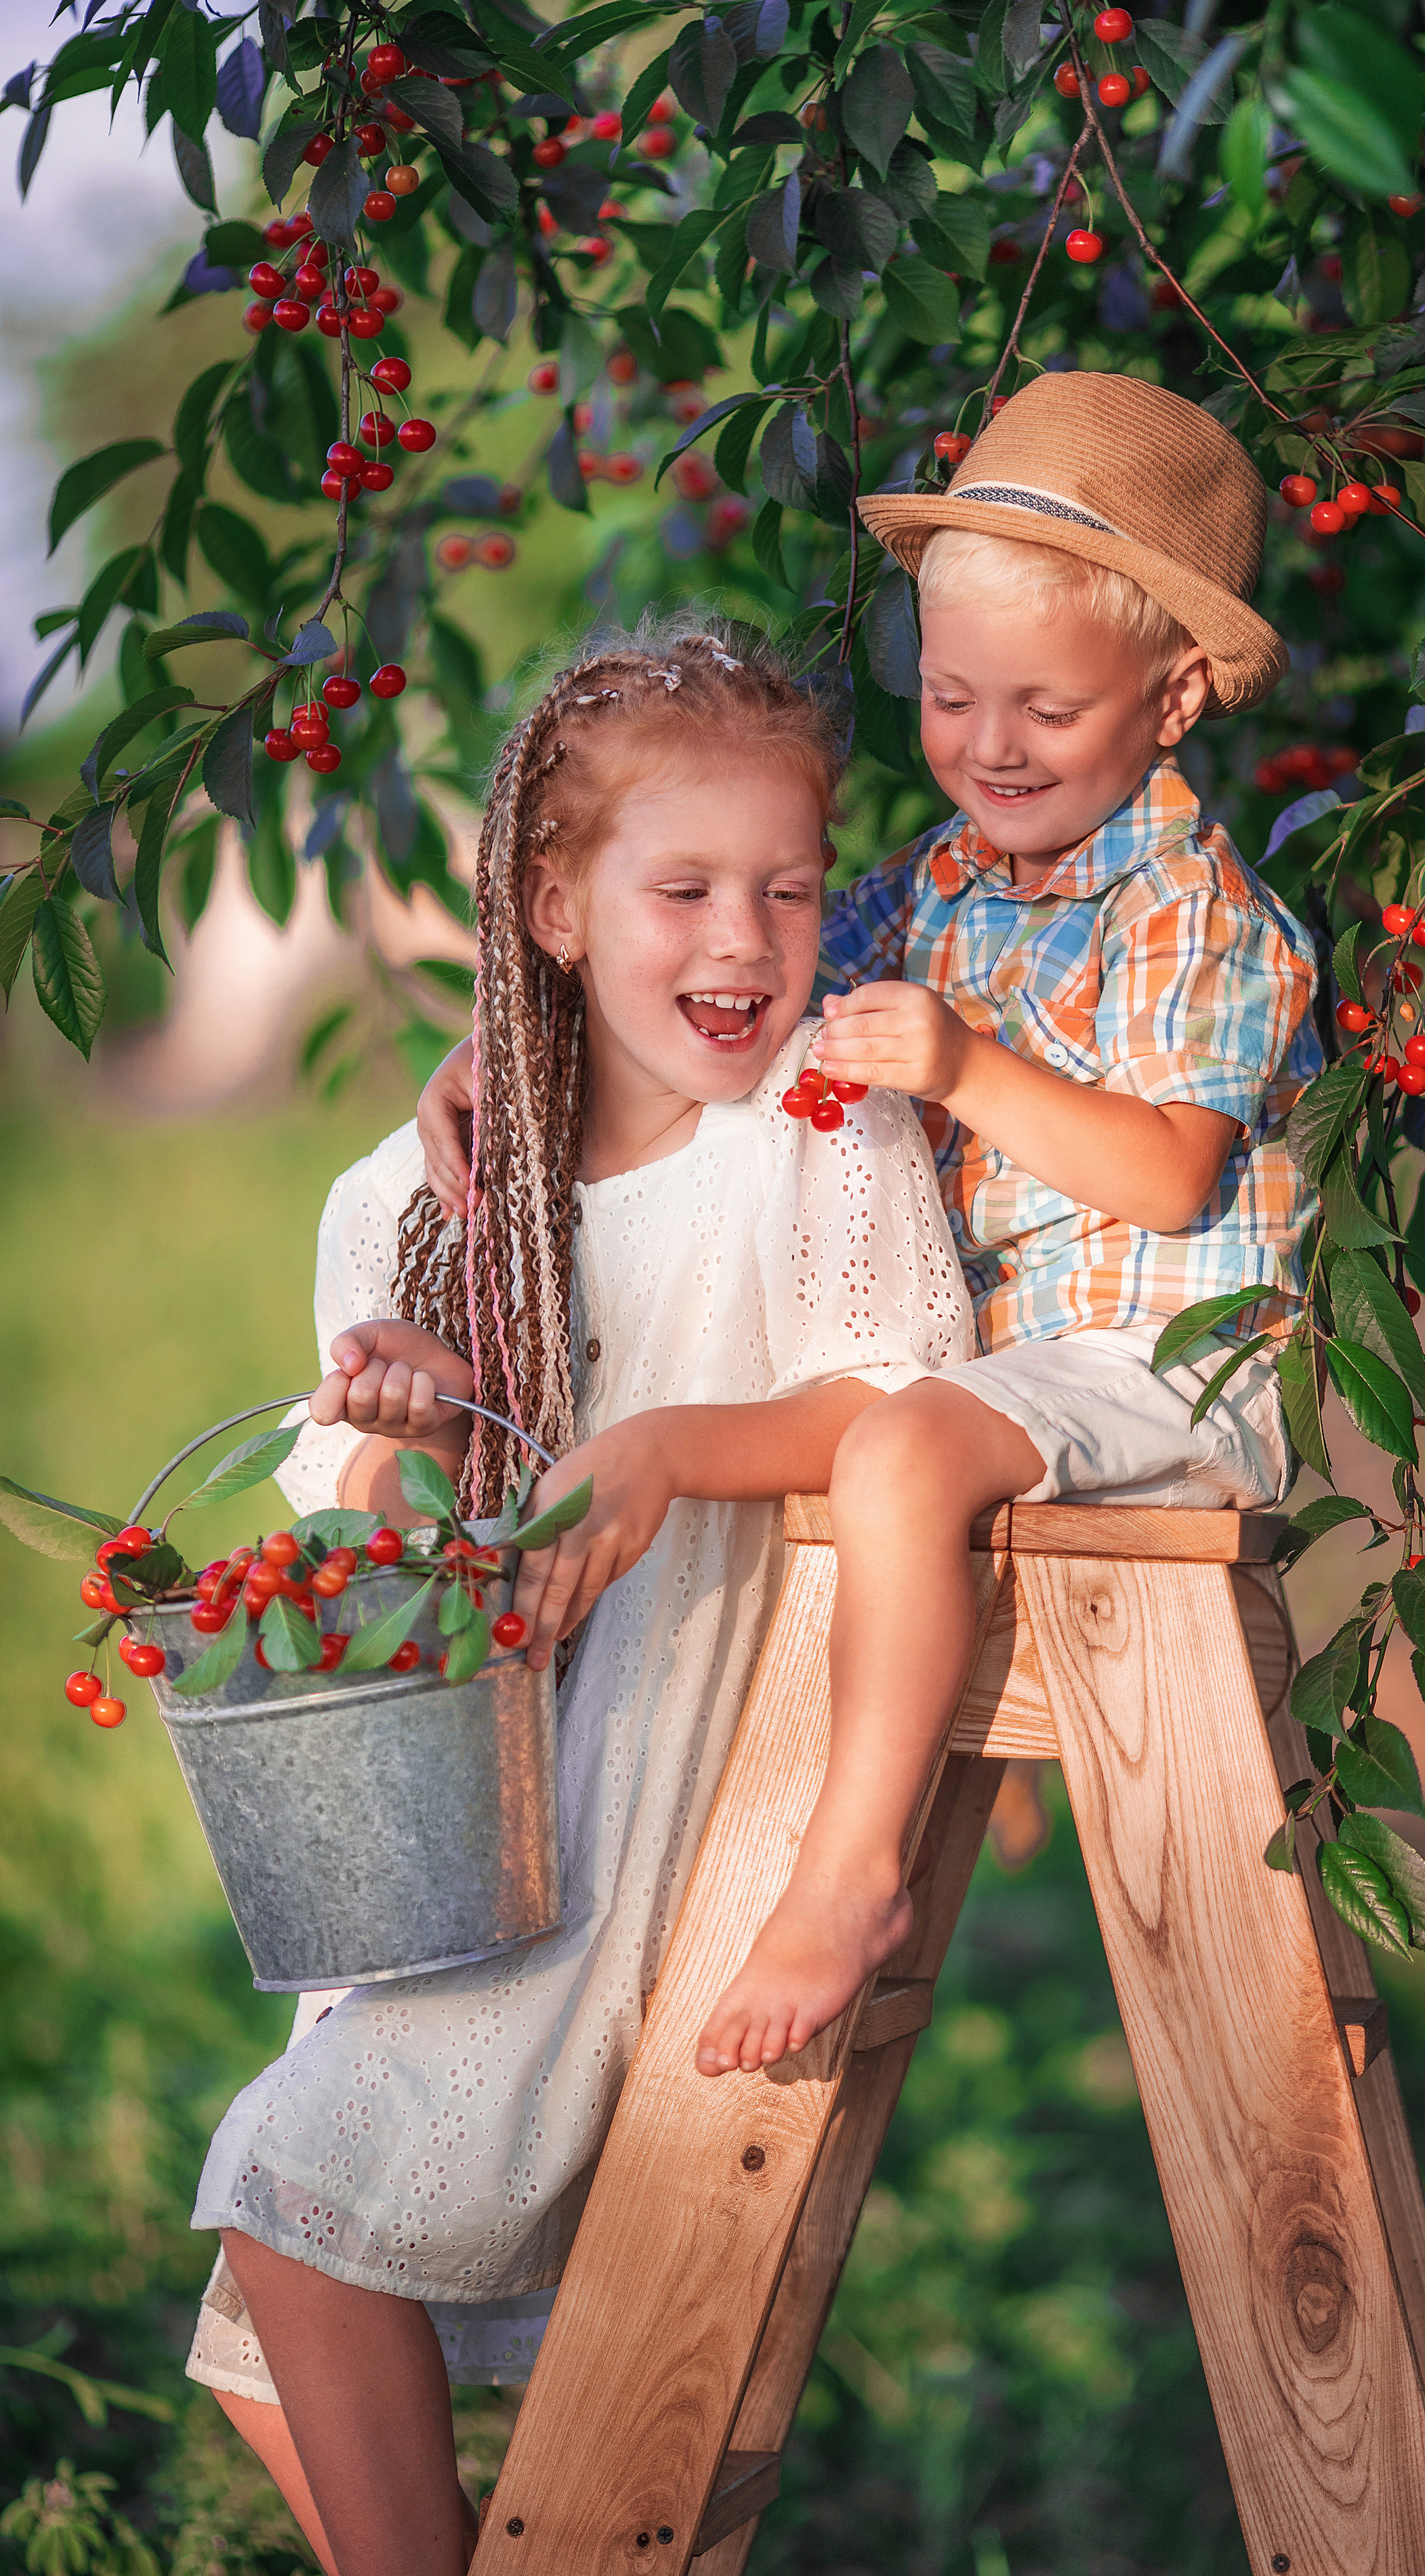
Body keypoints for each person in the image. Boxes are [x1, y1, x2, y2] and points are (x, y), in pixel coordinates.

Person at [418, 374, 1326, 2087]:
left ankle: (852, 1876)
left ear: (1176, 695)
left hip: (1168, 1375)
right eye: (955, 697)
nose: (989, 746)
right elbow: (732, 1008)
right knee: (898, 1435)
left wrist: (968, 1066)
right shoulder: (930, 886)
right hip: (1013, 1382)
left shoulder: (1209, 922)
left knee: (894, 1454)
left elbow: (1168, 1183)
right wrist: (509, 1038)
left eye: (1046, 708)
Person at [185, 623, 976, 2576]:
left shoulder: (814, 1133)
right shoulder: (415, 1199)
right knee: (262, 2327)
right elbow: (371, 1559)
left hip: (669, 1779)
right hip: (477, 1807)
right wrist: (405, 1426)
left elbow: (899, 1407)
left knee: (287, 2203)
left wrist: (665, 1447)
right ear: (554, 906)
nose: (746, 939)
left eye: (789, 889)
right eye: (682, 890)